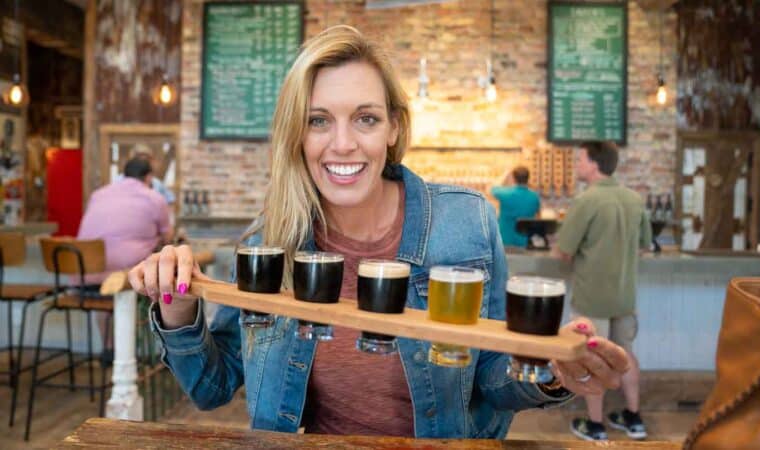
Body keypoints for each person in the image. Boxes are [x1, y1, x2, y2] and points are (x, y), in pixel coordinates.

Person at [128, 26, 630, 439]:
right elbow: (212, 387)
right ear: (296, 135)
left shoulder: (466, 222)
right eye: (318, 121)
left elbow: (493, 379)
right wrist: (177, 305)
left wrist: (546, 370)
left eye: (365, 119)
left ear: (393, 128)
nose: (342, 144)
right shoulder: (270, 238)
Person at [553, 141, 652, 442]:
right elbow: (646, 244)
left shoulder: (587, 201)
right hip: (625, 295)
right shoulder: (635, 199)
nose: (578, 164)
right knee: (626, 355)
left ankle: (595, 426)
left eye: (581, 159)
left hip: (592, 296)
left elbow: (563, 252)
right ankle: (634, 419)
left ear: (595, 164)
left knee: (592, 361)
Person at [77, 157, 173, 352]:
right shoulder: (154, 198)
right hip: (128, 278)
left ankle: (109, 349)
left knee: (105, 297)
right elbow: (168, 236)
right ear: (149, 177)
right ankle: (142, 355)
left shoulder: (98, 194)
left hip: (85, 278)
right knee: (149, 289)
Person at [491, 166, 541, 247]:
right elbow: (538, 216)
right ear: (528, 179)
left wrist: (505, 174)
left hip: (505, 240)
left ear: (514, 178)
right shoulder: (534, 197)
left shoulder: (505, 194)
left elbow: (492, 188)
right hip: (524, 242)